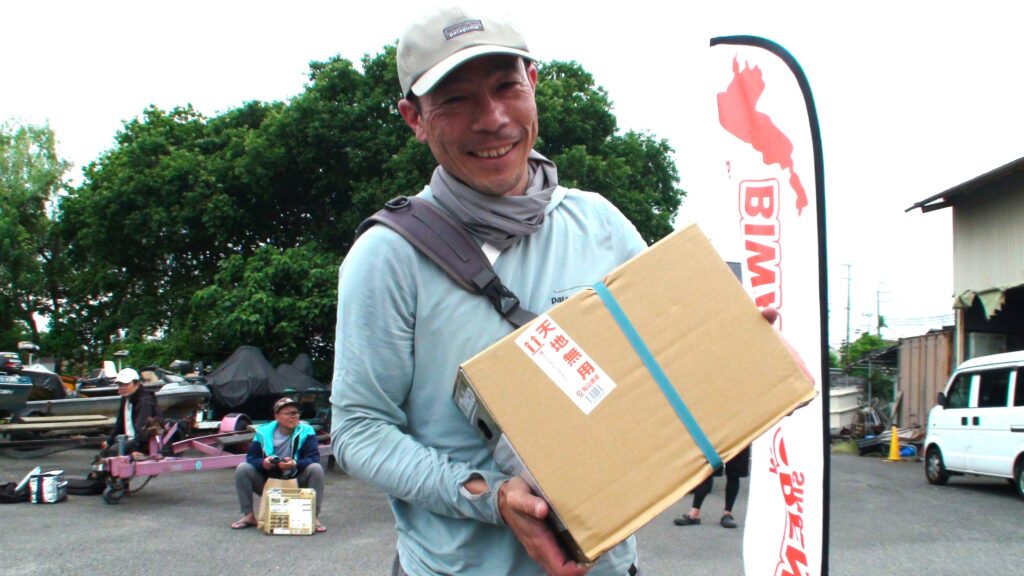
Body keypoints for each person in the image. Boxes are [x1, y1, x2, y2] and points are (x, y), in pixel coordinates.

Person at [331, 7, 646, 576]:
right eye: (456, 100)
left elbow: (661, 364)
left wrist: (734, 357)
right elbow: (358, 431)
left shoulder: (599, 223)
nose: (493, 119)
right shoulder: (387, 256)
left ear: (533, 84)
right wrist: (490, 495)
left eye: (506, 87)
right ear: (414, 118)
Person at [231, 397, 326, 533]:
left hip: (296, 479)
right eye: (288, 413)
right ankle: (248, 515)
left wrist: (295, 464)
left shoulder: (307, 431)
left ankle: (313, 517)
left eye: (296, 413)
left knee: (316, 468)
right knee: (243, 468)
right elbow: (251, 457)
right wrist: (263, 464)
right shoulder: (263, 432)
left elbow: (314, 457)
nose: (294, 416)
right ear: (276, 416)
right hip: (269, 481)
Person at [673, 445, 751, 528]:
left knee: (733, 474)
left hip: (739, 440)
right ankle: (693, 513)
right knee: (707, 472)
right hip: (717, 439)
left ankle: (727, 514)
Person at [100, 368, 160, 459]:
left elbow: (142, 430)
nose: (123, 387)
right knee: (105, 452)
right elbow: (120, 423)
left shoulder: (144, 402)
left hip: (145, 442)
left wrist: (136, 449)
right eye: (120, 384)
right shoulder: (126, 398)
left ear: (137, 384)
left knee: (114, 451)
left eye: (126, 384)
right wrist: (109, 441)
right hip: (131, 440)